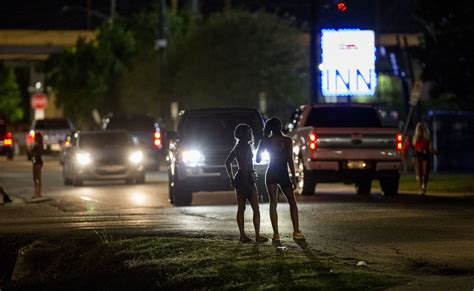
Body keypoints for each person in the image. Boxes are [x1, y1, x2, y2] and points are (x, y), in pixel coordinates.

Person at [256, 117, 304, 242]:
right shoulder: (287, 141)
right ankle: (296, 231)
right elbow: (290, 160)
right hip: (283, 173)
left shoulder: (266, 141)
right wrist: (293, 177)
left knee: (273, 203)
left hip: (271, 173)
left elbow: (258, 160)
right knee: (292, 202)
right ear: (280, 126)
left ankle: (276, 234)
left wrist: (261, 145)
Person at [225, 124, 268, 243]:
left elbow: (227, 162)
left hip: (242, 178)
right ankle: (257, 236)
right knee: (255, 208)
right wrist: (249, 176)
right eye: (248, 133)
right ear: (243, 135)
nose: (251, 134)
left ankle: (243, 235)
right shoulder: (245, 147)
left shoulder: (238, 146)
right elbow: (243, 164)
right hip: (245, 179)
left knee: (242, 208)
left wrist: (232, 178)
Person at [412, 122, 438, 195]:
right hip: (417, 155)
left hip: (425, 155)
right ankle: (421, 188)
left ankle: (424, 186)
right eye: (419, 129)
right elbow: (413, 146)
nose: (420, 130)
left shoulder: (426, 137)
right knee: (419, 173)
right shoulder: (415, 137)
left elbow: (430, 147)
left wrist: (434, 152)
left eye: (421, 129)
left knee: (425, 173)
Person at [30, 132, 44, 198]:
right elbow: (31, 152)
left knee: (38, 177)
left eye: (36, 136)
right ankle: (36, 192)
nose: (35, 137)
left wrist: (34, 152)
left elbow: (39, 153)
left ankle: (39, 193)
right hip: (34, 161)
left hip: (38, 161)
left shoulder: (40, 144)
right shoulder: (34, 143)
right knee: (34, 177)